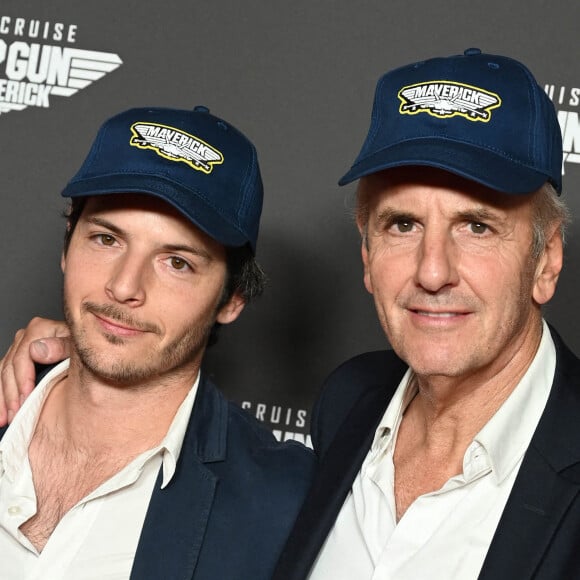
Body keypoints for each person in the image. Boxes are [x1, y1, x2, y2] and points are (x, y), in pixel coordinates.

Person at [2, 47, 580, 579]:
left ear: (546, 259)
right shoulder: (351, 406)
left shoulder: (274, 490)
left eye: (477, 227)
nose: (433, 271)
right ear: (366, 253)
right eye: (402, 225)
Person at [0, 105, 315, 579]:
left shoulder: (283, 504)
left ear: (232, 299)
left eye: (177, 262)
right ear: (68, 243)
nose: (125, 286)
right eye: (107, 239)